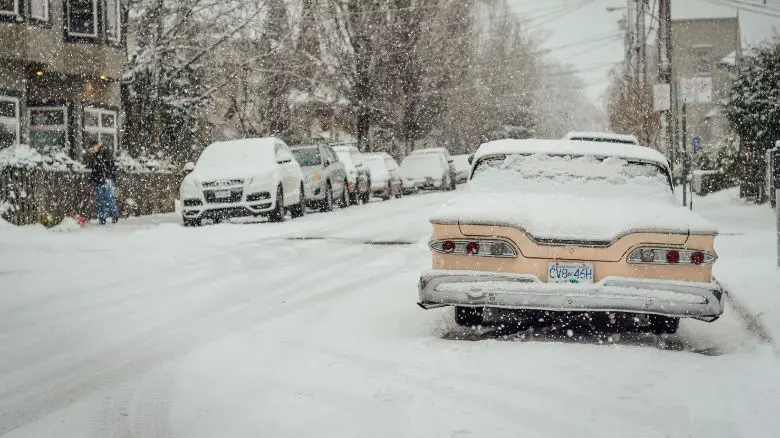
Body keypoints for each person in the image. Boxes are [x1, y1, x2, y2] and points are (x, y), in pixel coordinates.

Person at [86, 141, 119, 224]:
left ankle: (114, 215)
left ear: (97, 146)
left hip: (107, 181)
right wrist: (91, 180)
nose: (92, 149)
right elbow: (95, 170)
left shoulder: (104, 154)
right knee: (101, 201)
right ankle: (102, 219)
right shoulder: (95, 157)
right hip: (99, 182)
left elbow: (108, 167)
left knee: (109, 199)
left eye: (93, 147)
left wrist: (107, 178)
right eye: (92, 148)